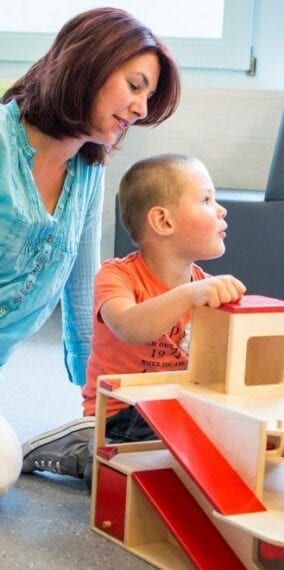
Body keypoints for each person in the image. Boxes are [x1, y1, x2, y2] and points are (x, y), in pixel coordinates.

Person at [0, 7, 180, 494]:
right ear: (89, 65)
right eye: (135, 85)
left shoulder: (88, 170)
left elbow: (84, 287)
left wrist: (102, 404)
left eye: (148, 95)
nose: (141, 108)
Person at [20, 154, 246, 486]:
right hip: (121, 414)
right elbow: (129, 326)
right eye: (207, 199)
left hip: (176, 411)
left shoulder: (202, 289)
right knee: (120, 476)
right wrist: (191, 295)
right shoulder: (116, 276)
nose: (221, 209)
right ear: (163, 221)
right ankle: (76, 448)